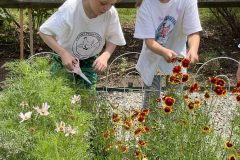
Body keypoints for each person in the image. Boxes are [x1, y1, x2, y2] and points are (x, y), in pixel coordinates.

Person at [39, 0, 126, 90]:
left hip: (90, 61)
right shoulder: (70, 9)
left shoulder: (110, 13)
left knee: (87, 96)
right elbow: (44, 32)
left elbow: (114, 37)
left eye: (112, 4)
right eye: (102, 3)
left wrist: (106, 55)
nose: (106, 8)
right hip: (64, 59)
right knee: (60, 91)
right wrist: (63, 53)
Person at [134, 0, 202, 107]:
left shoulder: (187, 1)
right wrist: (164, 51)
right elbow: (149, 41)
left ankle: (176, 123)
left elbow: (193, 31)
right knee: (151, 102)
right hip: (152, 57)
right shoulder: (145, 4)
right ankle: (150, 122)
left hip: (177, 57)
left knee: (176, 100)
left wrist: (193, 49)